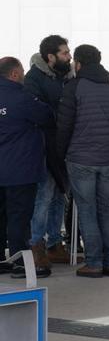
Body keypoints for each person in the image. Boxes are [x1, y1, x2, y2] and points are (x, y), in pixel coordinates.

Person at [57, 45, 109, 278]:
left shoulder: (75, 86)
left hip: (80, 159)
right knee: (105, 210)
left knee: (87, 211)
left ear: (78, 63)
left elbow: (64, 125)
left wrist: (59, 154)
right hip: (107, 160)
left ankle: (94, 263)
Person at [0, 57, 54, 278]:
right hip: (19, 169)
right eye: (21, 71)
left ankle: (2, 261)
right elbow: (47, 116)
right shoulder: (22, 97)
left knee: (1, 216)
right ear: (14, 74)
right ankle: (22, 263)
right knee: (19, 218)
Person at [24, 35, 75, 266]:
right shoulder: (34, 78)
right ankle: (36, 245)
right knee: (43, 197)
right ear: (50, 56)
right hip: (45, 148)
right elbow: (37, 111)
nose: (69, 56)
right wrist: (62, 114)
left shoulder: (69, 77)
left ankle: (54, 243)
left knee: (58, 196)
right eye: (65, 53)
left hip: (62, 146)